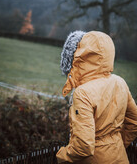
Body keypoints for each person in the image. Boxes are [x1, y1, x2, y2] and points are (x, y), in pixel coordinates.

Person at [56, 31, 137, 164]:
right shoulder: (119, 82)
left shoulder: (82, 93)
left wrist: (61, 156)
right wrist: (114, 145)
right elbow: (134, 122)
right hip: (120, 157)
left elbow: (83, 147)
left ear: (81, 56)